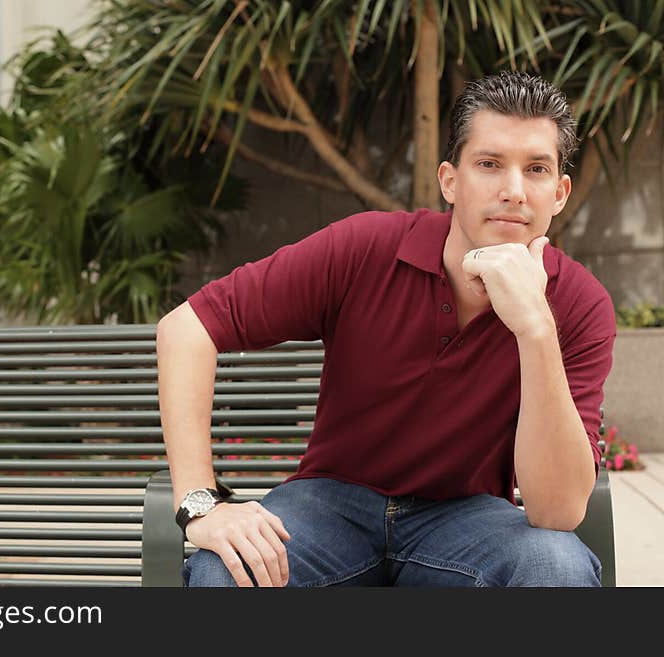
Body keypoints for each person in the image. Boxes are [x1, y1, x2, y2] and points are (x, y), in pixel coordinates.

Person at [155, 71, 616, 587]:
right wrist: (202, 503)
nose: (513, 190)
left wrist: (534, 327)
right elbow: (187, 327)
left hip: (466, 520)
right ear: (450, 180)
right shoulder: (366, 248)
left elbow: (556, 513)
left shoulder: (579, 304)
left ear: (559, 192)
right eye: (489, 164)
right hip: (329, 507)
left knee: (557, 567)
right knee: (226, 574)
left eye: (535, 169)